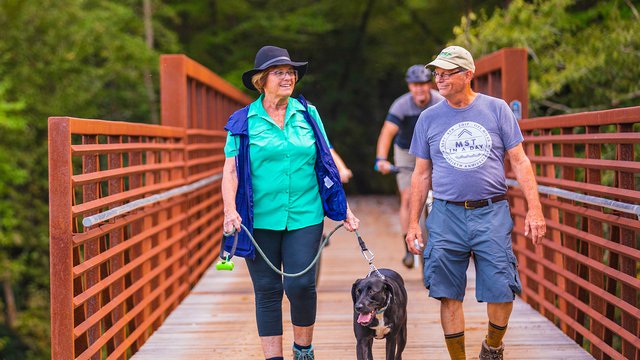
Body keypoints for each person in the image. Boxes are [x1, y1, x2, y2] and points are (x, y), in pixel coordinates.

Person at [405, 46, 546, 360]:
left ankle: (492, 347)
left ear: (467, 74)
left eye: (446, 73)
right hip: (444, 213)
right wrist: (413, 223)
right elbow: (421, 173)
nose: (438, 79)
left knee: (502, 285)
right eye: (436, 73)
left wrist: (535, 210)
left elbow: (521, 162)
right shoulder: (428, 118)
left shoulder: (496, 110)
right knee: (445, 291)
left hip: (491, 211)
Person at [221, 45, 360, 360]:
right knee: (267, 290)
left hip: (305, 214)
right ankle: (274, 357)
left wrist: (343, 209)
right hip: (257, 218)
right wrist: (230, 209)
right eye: (279, 72)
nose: (288, 77)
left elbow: (325, 161)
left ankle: (303, 349)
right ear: (261, 80)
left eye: (291, 72)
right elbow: (230, 169)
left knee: (299, 284)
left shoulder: (308, 114)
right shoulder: (242, 121)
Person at [375, 65, 443, 268]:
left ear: (429, 85)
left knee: (441, 196)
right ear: (409, 86)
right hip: (407, 152)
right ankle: (408, 247)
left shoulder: (439, 101)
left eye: (423, 85)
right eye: (415, 85)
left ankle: (441, 242)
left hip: (432, 151)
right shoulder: (402, 105)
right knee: (408, 196)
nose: (419, 90)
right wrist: (381, 160)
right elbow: (387, 132)